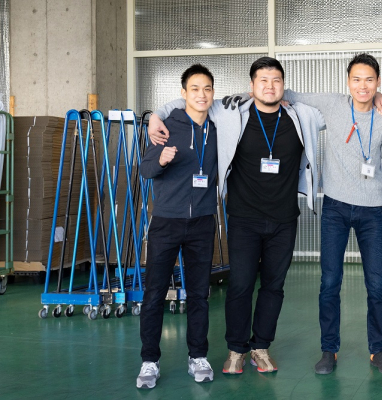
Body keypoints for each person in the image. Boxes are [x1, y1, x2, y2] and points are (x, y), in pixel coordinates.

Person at [147, 57, 325, 375]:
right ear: (251, 85)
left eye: (276, 81)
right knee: (240, 285)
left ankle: (261, 347)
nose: (269, 86)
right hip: (243, 217)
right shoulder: (231, 112)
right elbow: (193, 99)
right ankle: (236, 349)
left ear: (284, 86)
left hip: (284, 218)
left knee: (274, 287)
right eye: (262, 80)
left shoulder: (301, 115)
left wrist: (376, 97)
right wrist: (155, 116)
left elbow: (338, 109)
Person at [282, 53, 382, 375]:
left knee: (377, 284)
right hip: (335, 207)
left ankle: (379, 351)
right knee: (330, 282)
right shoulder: (333, 104)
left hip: (371, 210)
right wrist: (251, 92)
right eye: (356, 79)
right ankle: (328, 350)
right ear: (348, 81)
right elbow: (290, 95)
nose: (363, 86)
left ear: (378, 82)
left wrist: (366, 182)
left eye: (370, 80)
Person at [136, 63, 218, 389]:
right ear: (183, 93)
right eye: (194, 88)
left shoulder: (219, 127)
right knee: (155, 293)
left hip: (202, 222)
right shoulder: (166, 127)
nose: (201, 94)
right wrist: (160, 160)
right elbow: (145, 170)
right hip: (166, 222)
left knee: (199, 294)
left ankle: (198, 356)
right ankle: (149, 361)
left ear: (213, 93)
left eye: (207, 88)